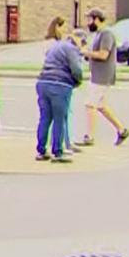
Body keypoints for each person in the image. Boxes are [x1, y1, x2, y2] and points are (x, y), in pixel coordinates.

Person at [76, 9, 129, 147]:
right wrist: (87, 53)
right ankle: (122, 130)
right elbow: (95, 54)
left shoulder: (106, 34)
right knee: (100, 106)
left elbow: (103, 55)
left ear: (97, 19)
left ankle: (90, 137)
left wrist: (86, 52)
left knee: (90, 104)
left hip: (102, 76)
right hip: (98, 75)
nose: (88, 23)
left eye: (89, 20)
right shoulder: (99, 34)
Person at [35, 17, 85, 163]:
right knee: (60, 119)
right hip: (60, 84)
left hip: (43, 82)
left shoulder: (55, 47)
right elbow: (76, 70)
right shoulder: (71, 49)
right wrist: (78, 81)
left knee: (45, 118)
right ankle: (58, 151)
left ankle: (41, 150)